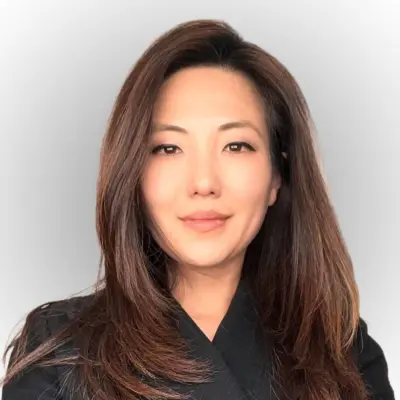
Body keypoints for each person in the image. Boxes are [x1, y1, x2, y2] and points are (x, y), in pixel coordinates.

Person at [1, 19, 395, 400]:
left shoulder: (343, 351)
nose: (204, 182)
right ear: (133, 174)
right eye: (168, 148)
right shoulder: (59, 353)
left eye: (236, 146)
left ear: (277, 176)